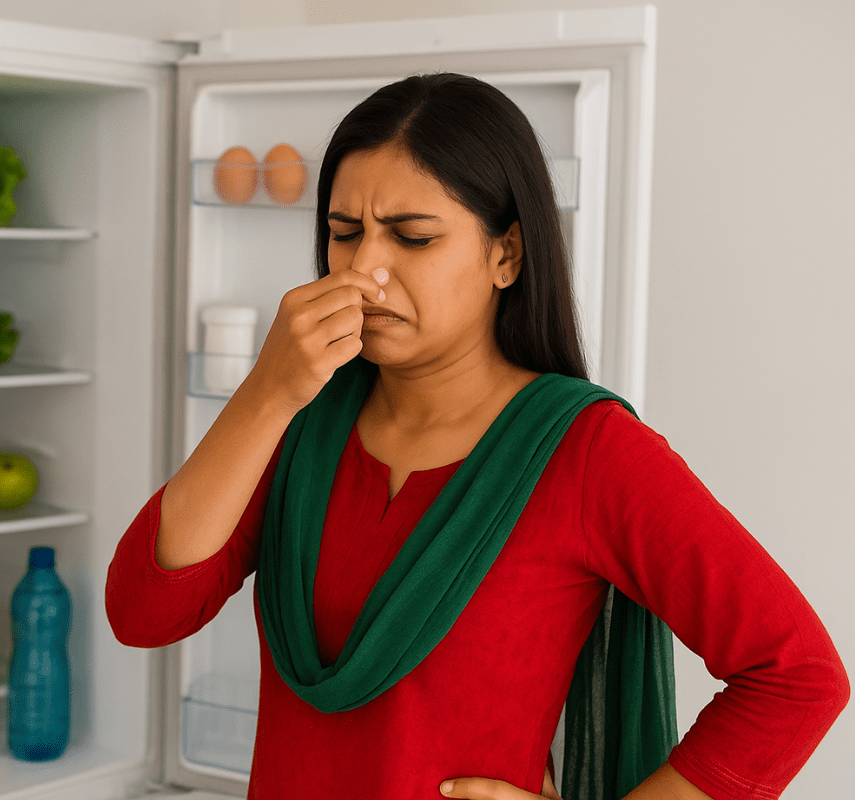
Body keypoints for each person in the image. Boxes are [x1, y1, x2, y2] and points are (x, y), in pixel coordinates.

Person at [105, 73, 849, 799]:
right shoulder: (303, 421)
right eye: (343, 234)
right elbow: (145, 613)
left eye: (413, 238)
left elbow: (798, 675)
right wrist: (266, 393)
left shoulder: (588, 453)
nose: (365, 271)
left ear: (506, 255)